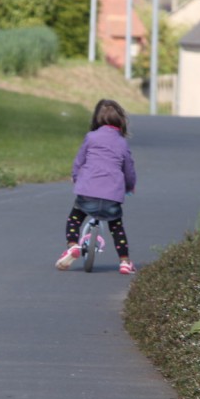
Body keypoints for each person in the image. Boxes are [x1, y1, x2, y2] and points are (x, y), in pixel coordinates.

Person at [55, 99, 137, 274]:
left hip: (88, 192)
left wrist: (77, 178)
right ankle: (124, 261)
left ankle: (72, 245)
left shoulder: (91, 137)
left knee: (74, 220)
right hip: (112, 196)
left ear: (96, 120)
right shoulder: (122, 143)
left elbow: (79, 162)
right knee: (116, 228)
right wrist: (130, 187)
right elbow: (128, 169)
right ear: (121, 121)